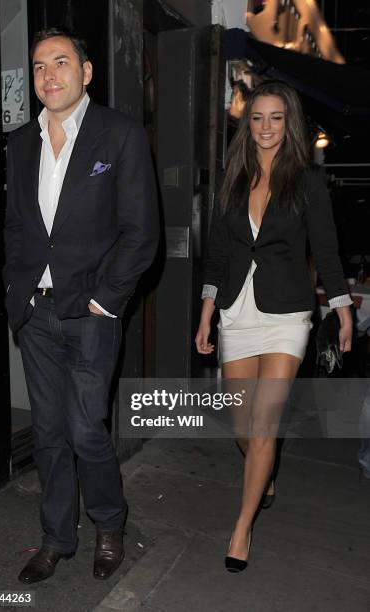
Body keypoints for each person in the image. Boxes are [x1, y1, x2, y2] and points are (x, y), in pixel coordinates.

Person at [3, 27, 158, 584]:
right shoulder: (21, 144)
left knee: (85, 429)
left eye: (61, 62)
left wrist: (105, 299)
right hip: (36, 314)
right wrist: (14, 291)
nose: (49, 75)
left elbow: (142, 231)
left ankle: (109, 524)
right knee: (46, 431)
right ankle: (55, 538)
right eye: (40, 66)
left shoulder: (118, 135)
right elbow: (18, 228)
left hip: (90, 312)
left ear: (86, 72)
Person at [195, 80, 353, 572]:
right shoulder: (234, 176)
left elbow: (324, 249)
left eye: (276, 118)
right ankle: (264, 472)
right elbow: (218, 254)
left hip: (288, 314)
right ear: (248, 124)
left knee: (264, 425)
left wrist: (343, 307)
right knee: (244, 427)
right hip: (237, 313)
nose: (266, 127)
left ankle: (240, 530)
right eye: (258, 118)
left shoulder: (306, 180)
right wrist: (206, 316)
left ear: (290, 123)